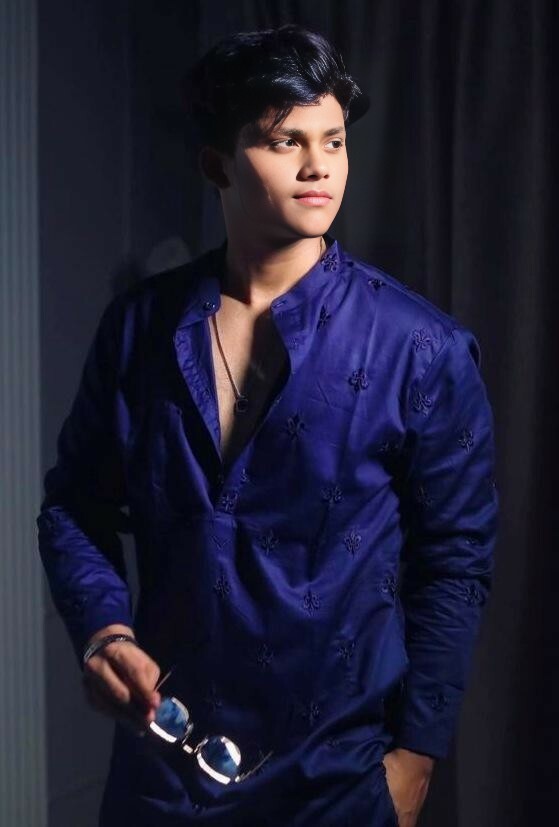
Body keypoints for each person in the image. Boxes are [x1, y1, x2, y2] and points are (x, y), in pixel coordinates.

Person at [37, 22, 499, 827]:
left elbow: (455, 560)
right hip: (161, 778)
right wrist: (104, 631)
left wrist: (415, 757)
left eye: (333, 141)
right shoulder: (138, 327)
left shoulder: (421, 348)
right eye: (286, 141)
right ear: (217, 163)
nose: (319, 167)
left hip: (335, 781)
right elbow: (73, 504)